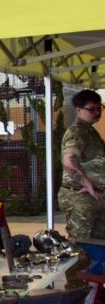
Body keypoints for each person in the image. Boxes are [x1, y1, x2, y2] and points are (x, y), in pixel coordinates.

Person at [59, 89, 105, 240]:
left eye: (100, 108)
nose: (98, 112)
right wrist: (89, 185)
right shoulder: (77, 131)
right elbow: (69, 161)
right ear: (78, 110)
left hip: (93, 197)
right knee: (82, 245)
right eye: (92, 109)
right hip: (80, 197)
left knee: (97, 244)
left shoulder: (89, 130)